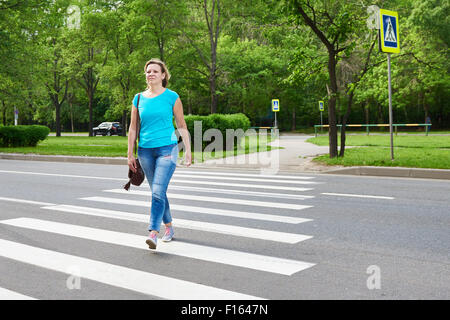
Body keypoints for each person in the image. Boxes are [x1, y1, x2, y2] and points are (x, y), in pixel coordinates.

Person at [127, 58, 191, 250]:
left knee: (157, 191)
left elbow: (181, 124)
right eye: (148, 71)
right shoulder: (138, 98)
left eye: (155, 71)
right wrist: (130, 153)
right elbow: (132, 128)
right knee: (158, 191)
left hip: (167, 149)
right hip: (145, 150)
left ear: (163, 75)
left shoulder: (172, 97)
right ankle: (169, 227)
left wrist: (187, 150)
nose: (151, 74)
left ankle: (153, 232)